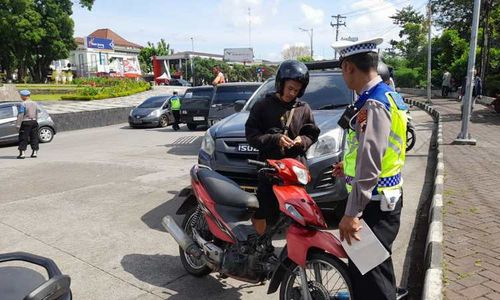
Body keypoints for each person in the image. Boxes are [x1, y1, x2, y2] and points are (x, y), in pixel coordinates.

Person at [332, 37, 408, 300]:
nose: (344, 75)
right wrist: (347, 166)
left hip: (373, 205)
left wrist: (352, 213)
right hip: (384, 199)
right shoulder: (389, 96)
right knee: (378, 272)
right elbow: (381, 151)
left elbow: (371, 161)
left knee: (370, 284)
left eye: (342, 69)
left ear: (349, 67)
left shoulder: (373, 103)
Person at [245, 60, 320, 236]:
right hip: (270, 170)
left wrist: (302, 140)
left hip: (295, 172)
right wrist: (275, 139)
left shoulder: (304, 109)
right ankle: (261, 247)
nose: (292, 93)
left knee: (298, 215)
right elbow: (252, 136)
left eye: (297, 90)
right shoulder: (262, 106)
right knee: (264, 212)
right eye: (290, 88)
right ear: (281, 84)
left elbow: (312, 133)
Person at [16, 90, 39, 159]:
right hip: (34, 121)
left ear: (24, 96)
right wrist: (35, 121)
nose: (20, 97)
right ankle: (34, 152)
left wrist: (18, 125)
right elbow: (37, 113)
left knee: (23, 137)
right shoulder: (35, 103)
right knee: (34, 137)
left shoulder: (23, 104)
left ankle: (22, 154)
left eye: (21, 96)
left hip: (25, 122)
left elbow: (20, 115)